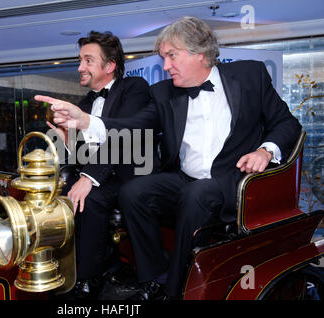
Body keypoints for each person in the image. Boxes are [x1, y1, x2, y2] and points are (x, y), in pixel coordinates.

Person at [36, 17, 302, 299]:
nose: (165, 66)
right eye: (163, 58)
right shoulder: (163, 93)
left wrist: (265, 150)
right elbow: (135, 127)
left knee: (196, 193)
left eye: (171, 56)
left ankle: (175, 291)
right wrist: (88, 122)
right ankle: (155, 277)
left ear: (199, 52)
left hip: (234, 180)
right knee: (133, 192)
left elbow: (287, 124)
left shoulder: (250, 75)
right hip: (185, 179)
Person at [46, 30, 150, 299]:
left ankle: (87, 278)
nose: (80, 67)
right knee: (56, 192)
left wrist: (88, 178)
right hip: (99, 172)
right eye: (80, 60)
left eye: (88, 61)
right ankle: (61, 264)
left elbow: (126, 139)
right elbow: (82, 155)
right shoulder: (84, 103)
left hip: (131, 174)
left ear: (110, 65)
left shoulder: (134, 88)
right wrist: (67, 141)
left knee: (89, 197)